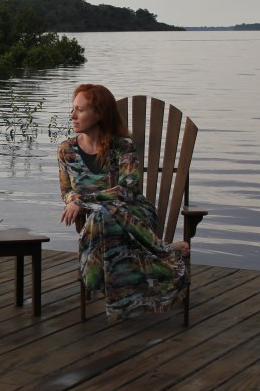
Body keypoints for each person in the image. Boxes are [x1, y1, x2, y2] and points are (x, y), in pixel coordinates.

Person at [58, 83, 188, 324]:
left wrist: (83, 200)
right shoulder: (66, 150)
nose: (72, 115)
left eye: (80, 110)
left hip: (133, 214)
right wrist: (73, 199)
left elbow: (126, 190)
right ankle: (166, 251)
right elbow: (66, 190)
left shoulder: (123, 147)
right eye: (73, 109)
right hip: (100, 220)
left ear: (99, 114)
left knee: (104, 214)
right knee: (101, 215)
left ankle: (109, 289)